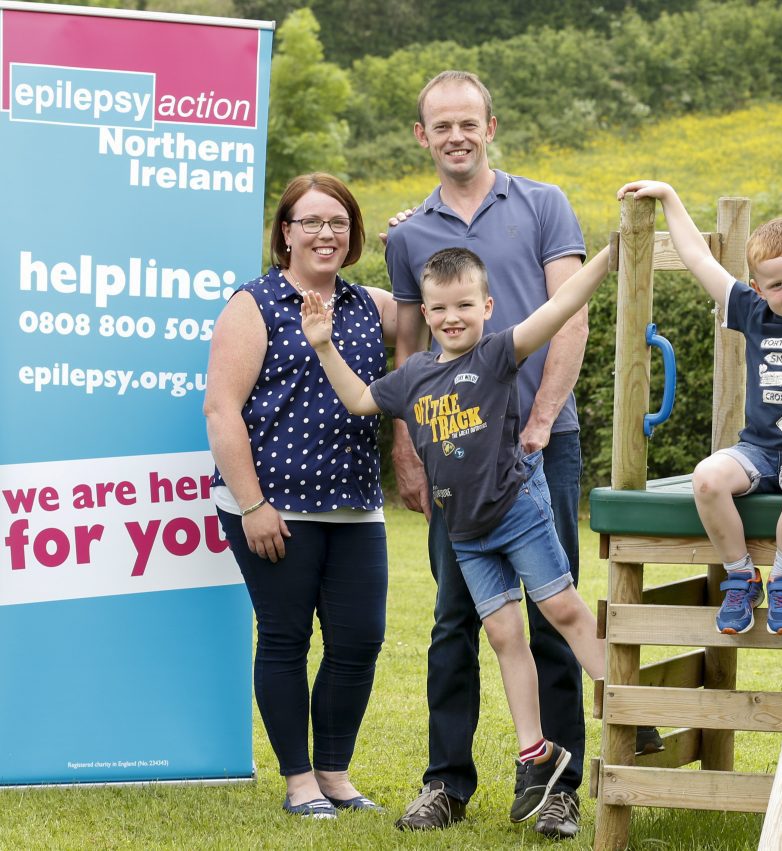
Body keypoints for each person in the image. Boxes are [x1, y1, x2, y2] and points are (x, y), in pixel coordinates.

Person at [384, 69, 661, 840]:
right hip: (452, 459)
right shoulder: (408, 235)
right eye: (441, 125)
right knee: (454, 621)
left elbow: (566, 316)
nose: (456, 135)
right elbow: (408, 348)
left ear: (491, 125)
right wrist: (408, 453)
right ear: (423, 136)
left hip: (544, 442)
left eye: (468, 121)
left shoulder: (543, 203)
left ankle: (558, 784)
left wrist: (539, 422)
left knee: (551, 610)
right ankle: (446, 782)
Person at [301, 245, 611, 828]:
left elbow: (563, 303)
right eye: (439, 308)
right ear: (427, 311)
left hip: (516, 510)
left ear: (486, 306)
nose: (451, 317)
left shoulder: (497, 355)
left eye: (464, 305)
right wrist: (323, 344)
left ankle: (625, 704)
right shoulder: (415, 375)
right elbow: (360, 399)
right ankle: (535, 752)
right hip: (465, 532)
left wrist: (611, 254)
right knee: (502, 634)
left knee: (563, 610)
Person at [617, 140, 782, 637]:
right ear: (759, 289)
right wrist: (670, 196)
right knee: (707, 477)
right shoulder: (753, 314)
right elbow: (699, 259)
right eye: (778, 285)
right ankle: (742, 577)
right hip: (759, 451)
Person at [204, 173, 396, 819]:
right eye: (311, 221)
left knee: (360, 639)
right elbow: (221, 409)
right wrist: (253, 503)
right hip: (274, 506)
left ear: (353, 234)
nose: (325, 233)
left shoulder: (371, 304)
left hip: (357, 505)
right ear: (285, 231)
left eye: (338, 222)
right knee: (286, 639)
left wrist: (415, 241)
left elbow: (449, 308)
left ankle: (336, 773)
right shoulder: (254, 304)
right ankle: (299, 781)